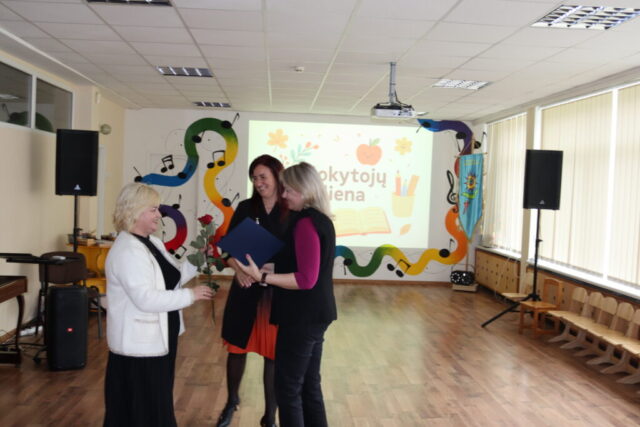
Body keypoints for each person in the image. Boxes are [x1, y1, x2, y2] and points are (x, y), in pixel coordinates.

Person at [103, 182, 214, 427]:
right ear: (134, 211)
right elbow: (146, 298)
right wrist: (191, 295)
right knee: (143, 406)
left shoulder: (153, 243)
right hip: (139, 345)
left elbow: (171, 279)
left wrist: (198, 259)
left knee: (156, 400)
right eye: (153, 209)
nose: (159, 214)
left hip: (158, 337)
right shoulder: (128, 251)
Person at [236, 161, 337, 427]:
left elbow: (305, 279)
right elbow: (300, 265)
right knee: (309, 386)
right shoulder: (321, 220)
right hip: (316, 314)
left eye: (289, 190)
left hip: (302, 317)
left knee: (288, 388)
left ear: (305, 190)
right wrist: (264, 268)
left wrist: (263, 277)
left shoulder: (305, 223)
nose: (284, 195)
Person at [217, 155, 293, 427]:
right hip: (245, 289)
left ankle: (270, 415)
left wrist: (274, 268)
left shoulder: (291, 210)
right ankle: (231, 402)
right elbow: (227, 252)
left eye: (263, 177)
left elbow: (296, 256)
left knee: (273, 355)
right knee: (237, 348)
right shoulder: (246, 208)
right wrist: (238, 270)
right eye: (254, 178)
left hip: (276, 293)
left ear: (277, 176)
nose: (258, 183)